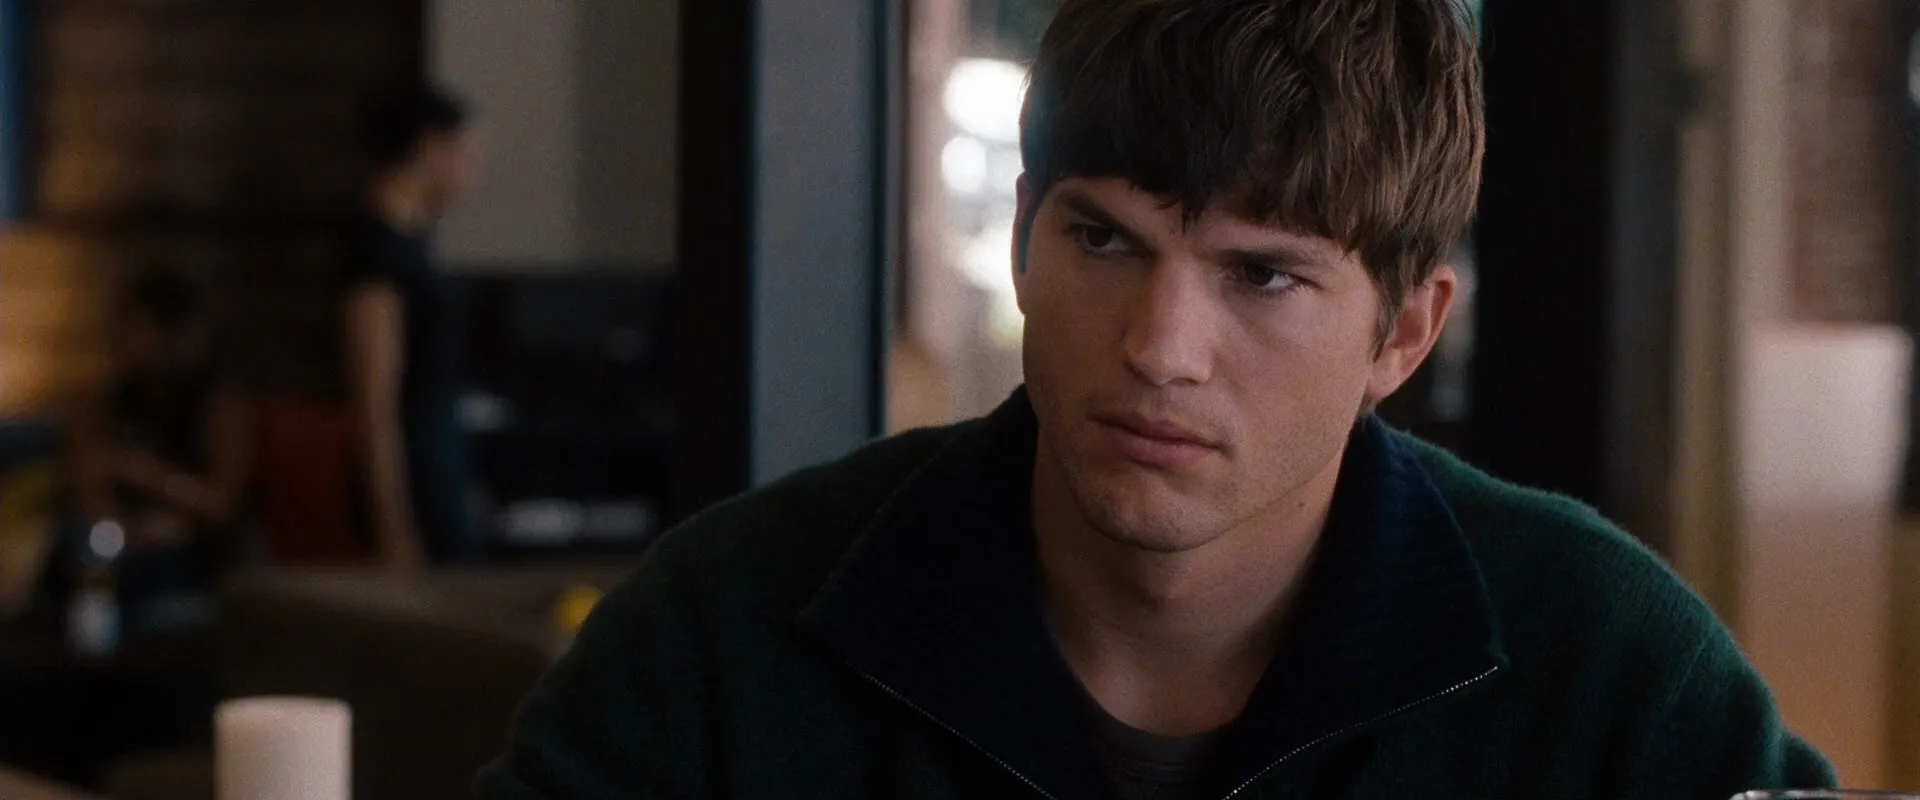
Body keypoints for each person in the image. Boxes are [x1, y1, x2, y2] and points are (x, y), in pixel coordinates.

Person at [480, 1, 1836, 797]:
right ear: (1025, 240)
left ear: (1404, 333)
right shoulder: (729, 630)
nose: (1160, 346)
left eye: (1263, 275)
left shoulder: (1599, 664)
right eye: (1105, 240)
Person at [341, 84, 483, 569]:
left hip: (437, 465)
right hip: (414, 482)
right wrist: (393, 526)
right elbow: (375, 401)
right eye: (465, 152)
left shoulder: (411, 244)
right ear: (429, 147)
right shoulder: (379, 253)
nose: (472, 170)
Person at [69, 269, 249, 633]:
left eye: (137, 327)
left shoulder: (218, 405)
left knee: (159, 579)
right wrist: (118, 527)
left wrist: (146, 473)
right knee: (78, 551)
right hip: (123, 547)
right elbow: (89, 484)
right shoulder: (112, 401)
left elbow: (220, 505)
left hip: (193, 550)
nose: (123, 339)